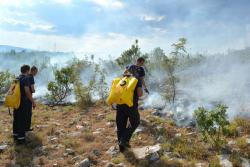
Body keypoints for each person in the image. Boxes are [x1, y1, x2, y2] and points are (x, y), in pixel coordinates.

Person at [116, 70, 143, 152]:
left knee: (120, 126)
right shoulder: (136, 78)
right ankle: (124, 140)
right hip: (131, 106)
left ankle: (122, 148)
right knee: (135, 122)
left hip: (120, 105)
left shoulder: (122, 78)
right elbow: (139, 94)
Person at [13, 65, 36, 144]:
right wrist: (33, 101)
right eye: (29, 70)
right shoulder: (25, 78)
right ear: (27, 70)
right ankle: (21, 139)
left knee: (16, 119)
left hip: (16, 101)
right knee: (22, 120)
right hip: (23, 102)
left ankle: (15, 135)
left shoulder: (17, 78)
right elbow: (27, 92)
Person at [26, 66, 38, 132]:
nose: (36, 73)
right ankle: (27, 128)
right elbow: (32, 89)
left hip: (23, 97)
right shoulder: (31, 77)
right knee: (28, 113)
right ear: (33, 71)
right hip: (28, 97)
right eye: (36, 72)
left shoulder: (26, 76)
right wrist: (34, 90)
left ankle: (24, 127)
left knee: (24, 113)